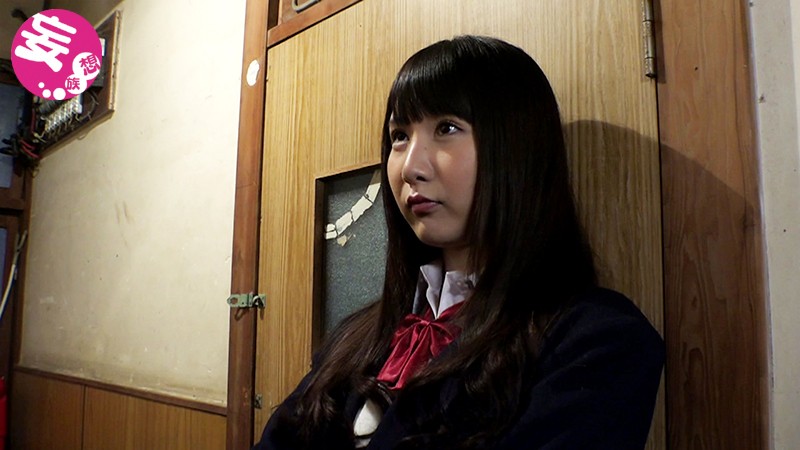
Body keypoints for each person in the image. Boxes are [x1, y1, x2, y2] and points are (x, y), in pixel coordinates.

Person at [253, 35, 664, 450]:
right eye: (399, 136)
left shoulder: (598, 340)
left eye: (446, 128)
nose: (410, 167)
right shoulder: (359, 335)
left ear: (517, 148)